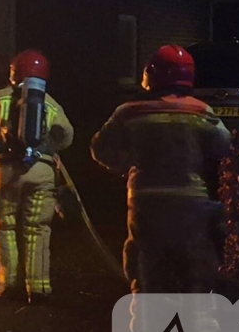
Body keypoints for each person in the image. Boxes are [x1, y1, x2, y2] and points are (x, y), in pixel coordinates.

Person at [91, 45, 231, 296]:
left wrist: (125, 167)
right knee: (196, 279)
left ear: (151, 73)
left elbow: (100, 148)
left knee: (147, 276)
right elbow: (222, 146)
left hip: (147, 202)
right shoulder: (201, 111)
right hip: (192, 202)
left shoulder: (129, 112)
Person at [0, 49, 73, 303]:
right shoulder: (51, 103)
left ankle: (8, 285)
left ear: (13, 73)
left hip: (6, 173)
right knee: (38, 229)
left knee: (4, 227)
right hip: (40, 172)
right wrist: (45, 145)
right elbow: (66, 136)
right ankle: (39, 288)